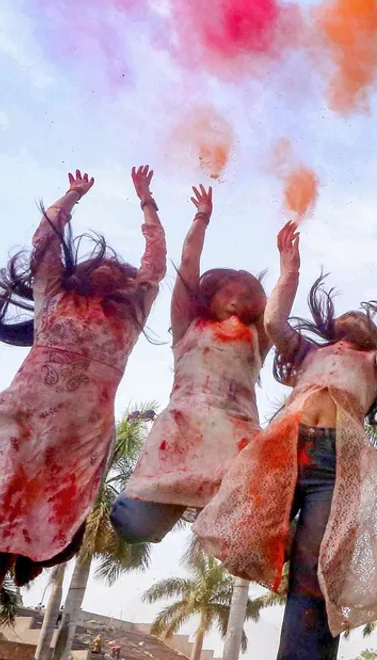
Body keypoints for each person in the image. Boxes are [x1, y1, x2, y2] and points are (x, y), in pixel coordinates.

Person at [194, 222, 377, 660]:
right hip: (284, 450)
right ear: (332, 329)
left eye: (366, 320)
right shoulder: (310, 353)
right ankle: (277, 547)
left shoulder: (375, 362)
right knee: (251, 529)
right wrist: (290, 269)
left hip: (335, 463)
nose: (357, 316)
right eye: (350, 315)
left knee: (316, 566)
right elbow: (273, 321)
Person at [0, 167, 165, 605]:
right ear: (84, 272)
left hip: (82, 421)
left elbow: (154, 266)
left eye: (119, 267)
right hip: (25, 406)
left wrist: (146, 201)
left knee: (61, 500)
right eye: (103, 264)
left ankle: (14, 561)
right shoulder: (53, 295)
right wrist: (70, 197)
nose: (111, 268)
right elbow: (44, 245)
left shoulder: (132, 310)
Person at [111, 184, 270, 543]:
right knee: (133, 525)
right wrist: (202, 219)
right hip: (181, 436)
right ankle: (177, 498)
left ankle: (209, 505)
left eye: (243, 297)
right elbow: (187, 264)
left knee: (248, 532)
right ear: (208, 296)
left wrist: (290, 264)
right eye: (226, 293)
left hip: (236, 440)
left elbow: (277, 310)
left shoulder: (257, 338)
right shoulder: (188, 328)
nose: (234, 301)